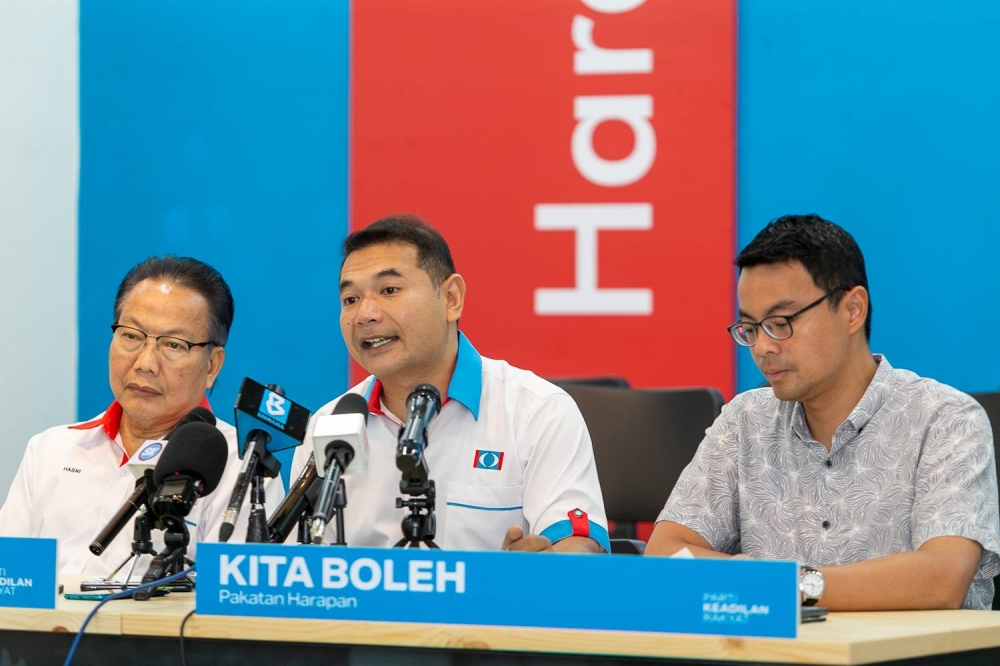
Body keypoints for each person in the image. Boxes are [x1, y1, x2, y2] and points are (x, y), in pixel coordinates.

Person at [647, 214, 1000, 611]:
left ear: (852, 310)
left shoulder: (946, 418)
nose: (762, 347)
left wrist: (787, 586)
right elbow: (666, 552)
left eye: (781, 323)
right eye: (750, 327)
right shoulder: (744, 420)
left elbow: (941, 579)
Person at [291, 214, 609, 553]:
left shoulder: (537, 411)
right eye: (350, 299)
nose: (366, 314)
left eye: (389, 290)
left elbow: (579, 546)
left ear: (452, 298)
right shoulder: (329, 425)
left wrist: (538, 565)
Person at [0, 256, 273, 575]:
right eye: (131, 335)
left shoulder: (242, 467)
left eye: (173, 344)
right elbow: (9, 580)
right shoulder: (50, 449)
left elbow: (225, 609)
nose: (145, 362)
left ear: (212, 366)